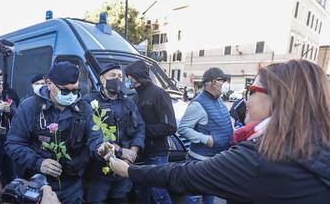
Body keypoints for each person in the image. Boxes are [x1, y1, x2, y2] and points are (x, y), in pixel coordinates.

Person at [109, 59, 330, 204]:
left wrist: (129, 171)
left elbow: (185, 174)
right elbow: (186, 130)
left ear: (278, 98)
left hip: (209, 164)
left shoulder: (260, 158)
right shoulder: (315, 140)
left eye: (251, 91)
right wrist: (206, 139)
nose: (245, 100)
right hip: (209, 161)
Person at [4, 61, 113, 204]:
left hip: (72, 185)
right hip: (39, 185)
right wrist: (38, 162)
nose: (71, 95)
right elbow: (13, 144)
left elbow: (95, 137)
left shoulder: (84, 109)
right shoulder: (30, 107)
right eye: (65, 91)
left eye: (75, 90)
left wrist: (101, 148)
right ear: (49, 84)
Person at [83, 63, 145, 204]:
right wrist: (120, 151)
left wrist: (131, 154)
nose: (117, 79)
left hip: (123, 168)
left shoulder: (128, 102)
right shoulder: (89, 102)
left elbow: (140, 128)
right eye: (112, 75)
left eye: (120, 76)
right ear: (102, 79)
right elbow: (89, 137)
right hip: (98, 170)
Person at [124, 60, 177, 204]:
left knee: (159, 193)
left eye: (130, 77)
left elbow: (170, 126)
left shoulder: (159, 94)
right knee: (141, 193)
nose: (127, 80)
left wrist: (141, 131)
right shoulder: (134, 97)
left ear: (138, 77)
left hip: (156, 153)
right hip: (140, 154)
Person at [177, 67, 233, 204]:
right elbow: (183, 128)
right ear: (213, 83)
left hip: (215, 160)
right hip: (199, 160)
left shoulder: (219, 100)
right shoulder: (198, 104)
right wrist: (206, 139)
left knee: (209, 194)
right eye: (222, 81)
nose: (225, 84)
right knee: (194, 197)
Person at [0, 68, 17, 186]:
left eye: (0, 77)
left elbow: (17, 121)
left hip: (7, 154)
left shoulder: (7, 101)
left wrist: (9, 111)